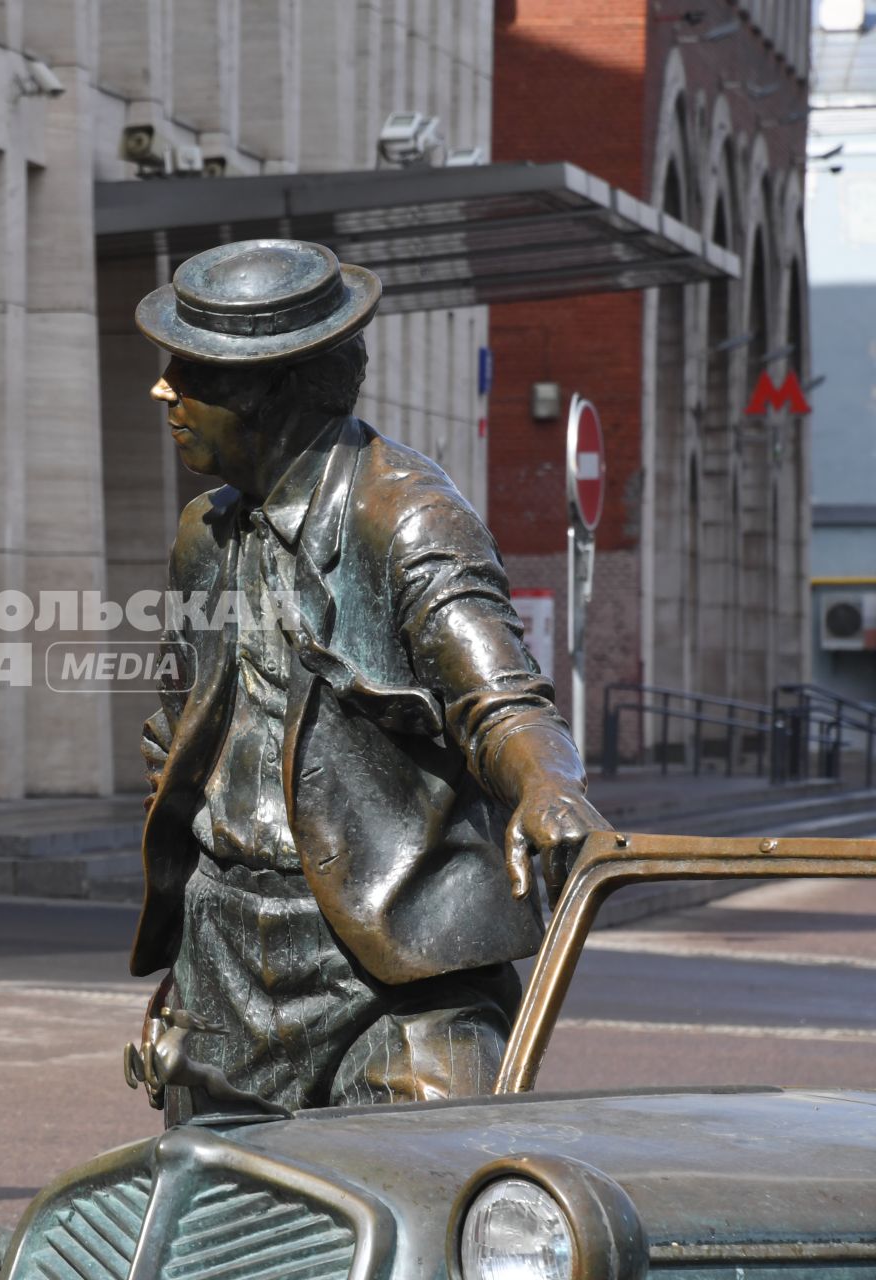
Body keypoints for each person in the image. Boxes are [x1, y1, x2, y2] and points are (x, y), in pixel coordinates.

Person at [129, 239, 605, 1112]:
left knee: (424, 1215)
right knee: (213, 1235)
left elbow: (499, 697)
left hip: (396, 970)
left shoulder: (409, 516)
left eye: (189, 371)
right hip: (225, 960)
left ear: (267, 392)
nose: (164, 388)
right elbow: (185, 719)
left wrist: (546, 785)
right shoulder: (205, 536)